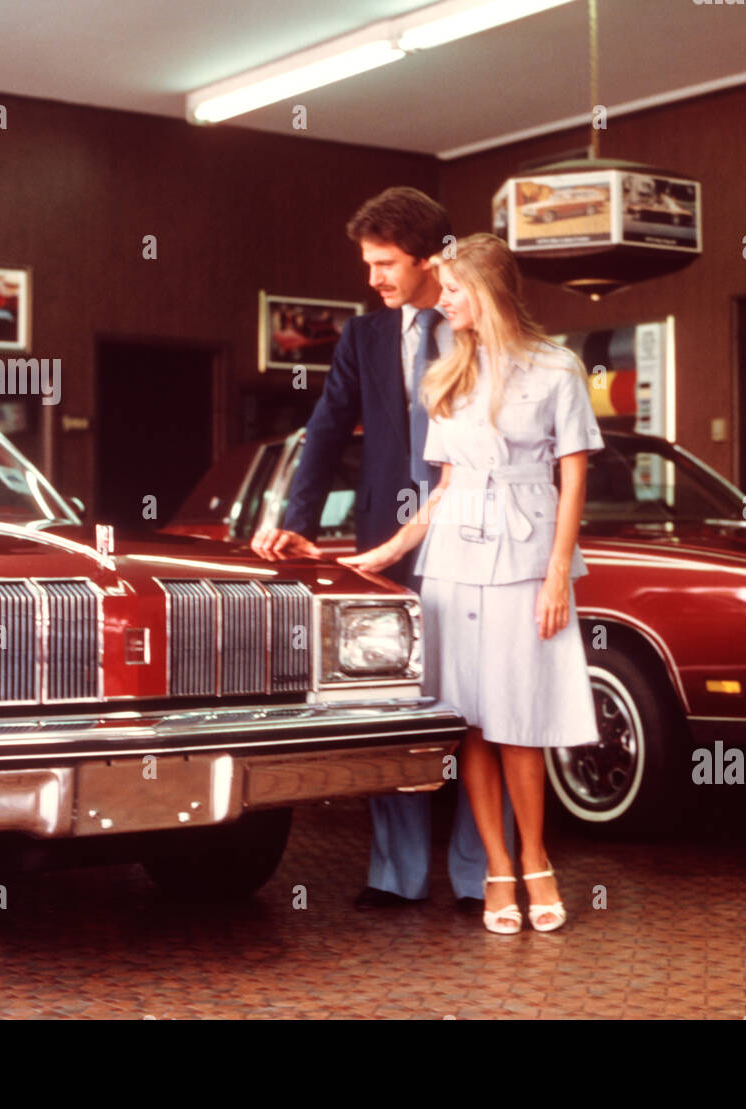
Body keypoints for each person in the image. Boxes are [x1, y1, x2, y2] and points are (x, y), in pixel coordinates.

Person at [251, 187, 510, 913]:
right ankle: (396, 874)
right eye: (368, 263)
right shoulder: (364, 338)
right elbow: (326, 431)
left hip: (479, 535)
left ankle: (478, 872)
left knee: (480, 707)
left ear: (435, 258)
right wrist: (296, 519)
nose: (374, 278)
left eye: (386, 263)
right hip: (388, 544)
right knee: (396, 702)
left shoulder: (483, 327)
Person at [338, 233, 604, 933]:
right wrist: (391, 547)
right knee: (473, 725)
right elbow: (446, 487)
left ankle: (536, 860)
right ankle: (494, 869)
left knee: (522, 722)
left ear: (483, 292)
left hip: (525, 560)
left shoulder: (557, 369)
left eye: (452, 290)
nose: (443, 300)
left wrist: (556, 576)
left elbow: (572, 478)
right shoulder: (444, 377)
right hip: (452, 563)